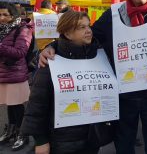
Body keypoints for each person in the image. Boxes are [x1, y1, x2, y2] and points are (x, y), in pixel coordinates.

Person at [39, 0, 147, 154]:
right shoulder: (112, 15)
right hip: (123, 96)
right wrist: (53, 47)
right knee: (123, 146)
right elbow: (87, 39)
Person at [21, 11, 105, 154]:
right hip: (62, 141)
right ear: (67, 33)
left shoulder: (99, 55)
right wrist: (41, 141)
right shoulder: (50, 61)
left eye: (88, 26)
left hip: (92, 138)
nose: (88, 31)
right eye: (81, 27)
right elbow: (37, 105)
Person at [0, 2, 33, 151]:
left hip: (16, 74)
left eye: (5, 15)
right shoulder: (2, 30)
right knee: (10, 104)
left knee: (17, 106)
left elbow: (20, 52)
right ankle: (11, 131)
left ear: (13, 16)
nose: (1, 18)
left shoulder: (23, 29)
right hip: (3, 74)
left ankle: (22, 134)